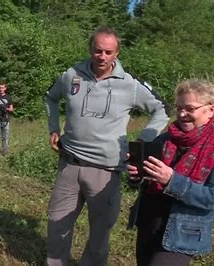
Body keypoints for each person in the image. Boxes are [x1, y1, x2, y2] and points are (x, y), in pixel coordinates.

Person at [45, 26, 170, 266]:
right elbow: (50, 97)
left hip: (106, 170)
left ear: (117, 53)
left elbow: (162, 109)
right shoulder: (71, 75)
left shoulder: (130, 85)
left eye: (108, 52)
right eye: (97, 50)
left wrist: (142, 141)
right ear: (90, 49)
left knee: (99, 232)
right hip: (69, 164)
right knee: (56, 224)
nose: (101, 56)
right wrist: (53, 127)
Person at [126, 80, 214, 266]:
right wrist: (137, 175)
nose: (182, 114)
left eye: (190, 108)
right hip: (149, 223)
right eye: (179, 108)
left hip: (183, 231)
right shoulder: (165, 139)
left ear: (211, 109)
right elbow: (144, 182)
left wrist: (172, 180)